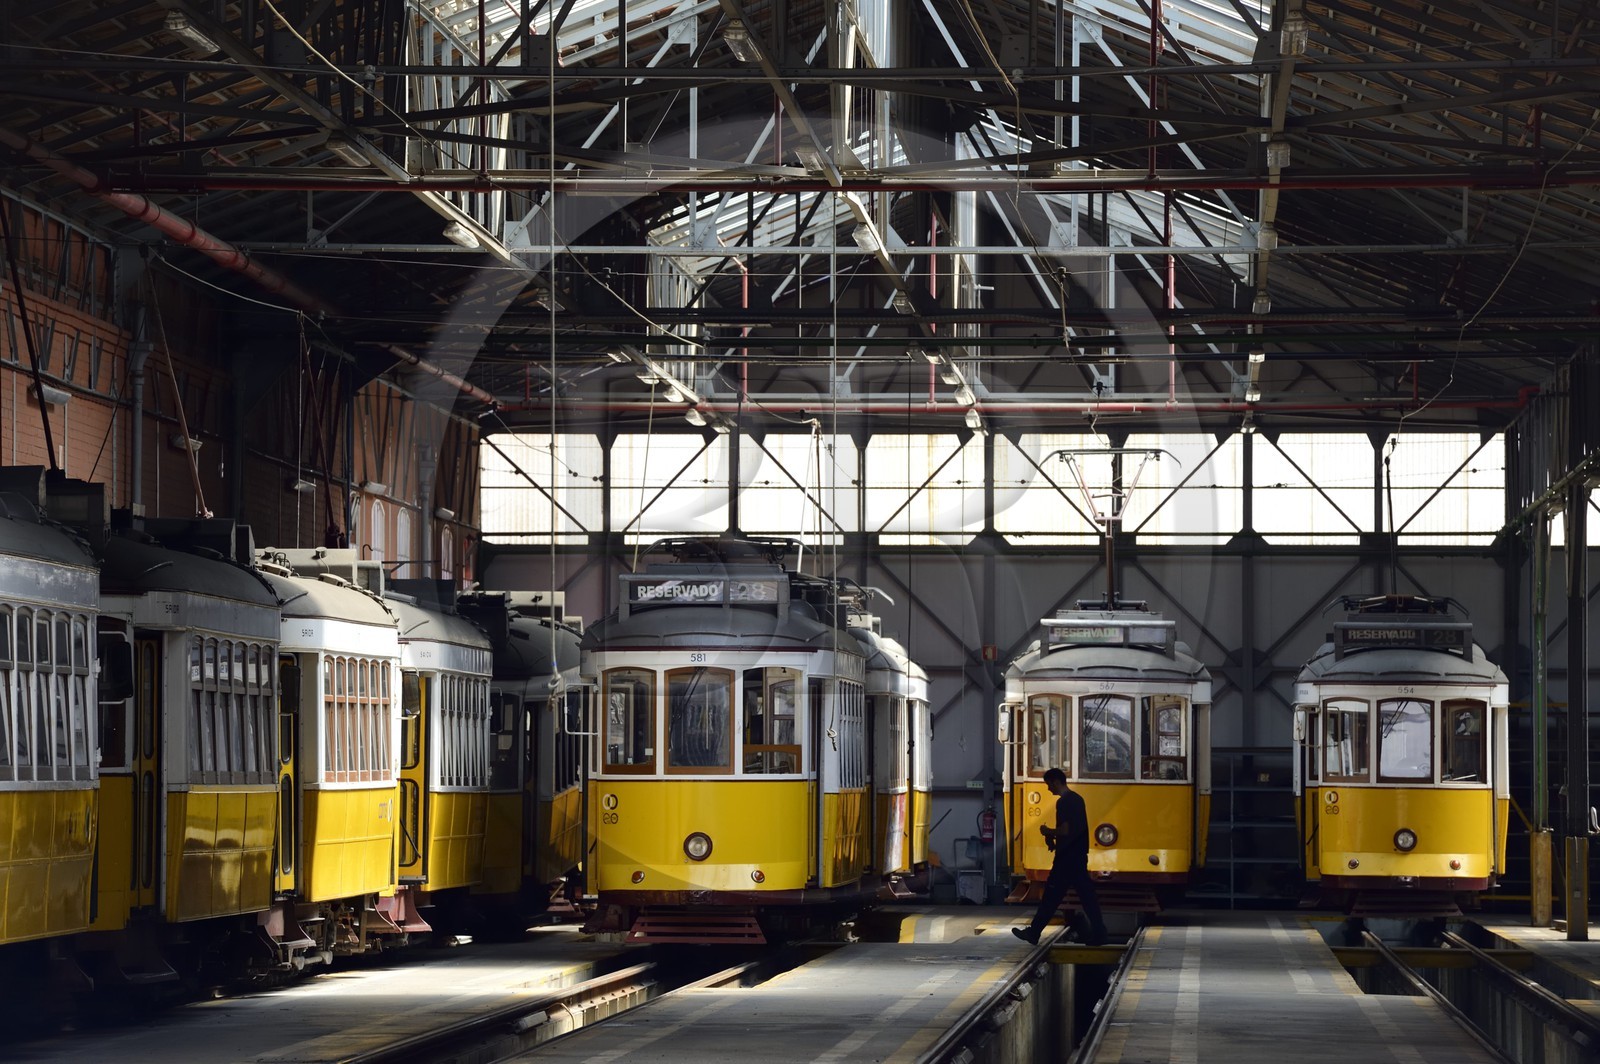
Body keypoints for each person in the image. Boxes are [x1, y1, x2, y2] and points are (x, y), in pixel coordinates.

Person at [1012, 767, 1107, 946]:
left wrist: (1047, 831)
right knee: (1087, 899)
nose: (1048, 789)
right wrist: (1053, 840)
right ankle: (1100, 934)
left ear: (1056, 782)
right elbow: (1073, 831)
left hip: (1067, 859)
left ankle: (1034, 933)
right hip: (1077, 856)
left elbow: (1066, 829)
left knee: (1051, 897)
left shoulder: (1064, 802)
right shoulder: (1078, 800)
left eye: (1049, 785)